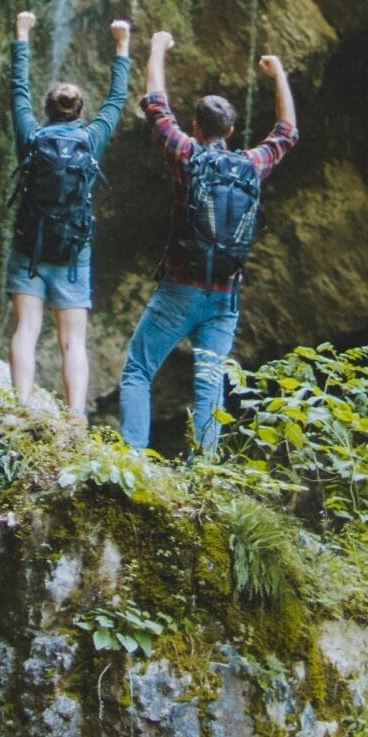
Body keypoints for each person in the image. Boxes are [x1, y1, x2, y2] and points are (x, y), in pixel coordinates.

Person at [119, 29, 298, 455]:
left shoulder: (186, 156)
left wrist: (157, 49)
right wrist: (278, 75)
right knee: (209, 386)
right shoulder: (252, 165)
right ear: (232, 130)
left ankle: (130, 461)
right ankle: (204, 475)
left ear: (196, 127)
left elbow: (157, 107)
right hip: (224, 297)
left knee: (138, 371)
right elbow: (287, 132)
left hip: (179, 288)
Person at [8, 9, 131, 418]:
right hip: (74, 253)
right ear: (81, 112)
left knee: (26, 330)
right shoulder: (92, 139)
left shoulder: (31, 137)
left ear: (46, 110)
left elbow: (17, 91)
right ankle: (76, 417)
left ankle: (21, 407)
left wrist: (21, 34)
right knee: (72, 341)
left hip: (30, 246)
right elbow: (117, 99)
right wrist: (121, 44)